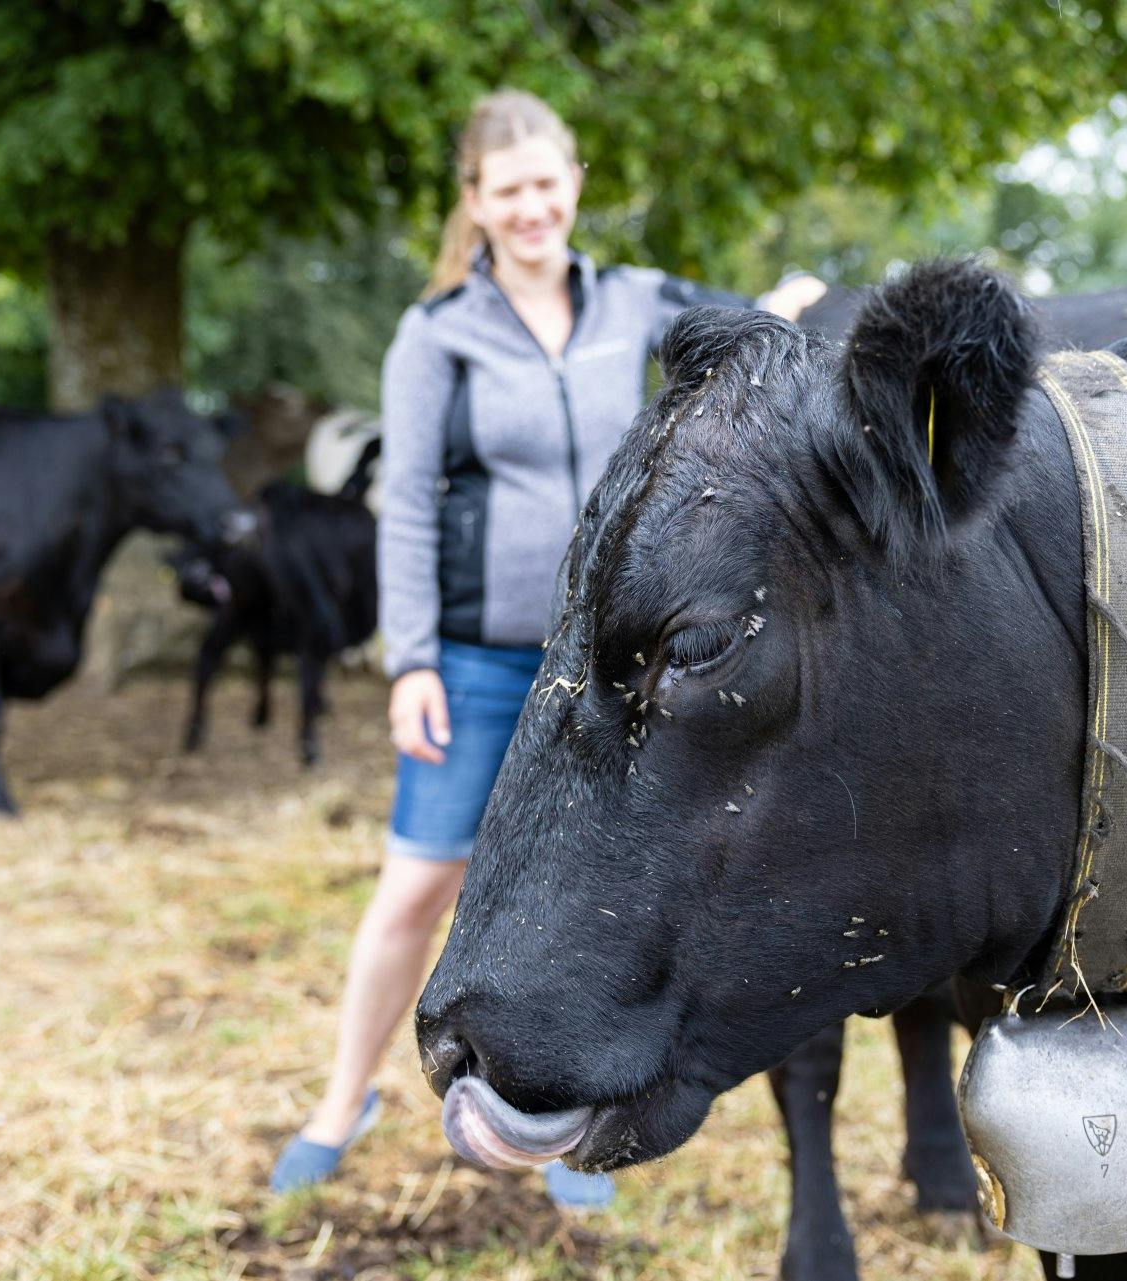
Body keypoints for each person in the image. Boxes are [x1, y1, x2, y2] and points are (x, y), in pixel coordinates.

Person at [270, 88, 826, 1207]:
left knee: (598, 893)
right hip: (477, 659)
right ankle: (342, 1098)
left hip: (612, 669)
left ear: (574, 185)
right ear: (474, 203)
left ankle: (569, 1130)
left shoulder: (637, 302)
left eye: (547, 184)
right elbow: (412, 502)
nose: (532, 207)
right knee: (420, 886)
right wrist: (411, 659)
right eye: (507, 190)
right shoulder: (436, 336)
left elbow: (757, 333)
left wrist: (805, 301)